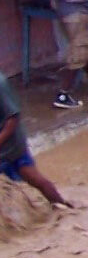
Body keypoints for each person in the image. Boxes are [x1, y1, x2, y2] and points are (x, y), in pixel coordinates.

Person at [0, 73, 71, 206]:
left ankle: (63, 206)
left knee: (37, 181)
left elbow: (13, 120)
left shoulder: (0, 84)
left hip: (12, 148)